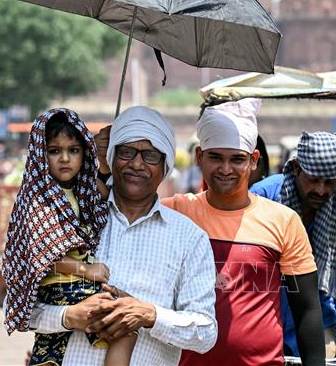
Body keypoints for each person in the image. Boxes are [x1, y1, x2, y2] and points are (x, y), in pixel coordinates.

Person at [29, 106, 217, 366]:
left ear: (165, 166)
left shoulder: (189, 238)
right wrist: (68, 316)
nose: (137, 164)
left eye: (150, 156)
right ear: (111, 157)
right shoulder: (72, 220)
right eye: (126, 152)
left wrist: (149, 315)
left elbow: (205, 333)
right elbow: (16, 308)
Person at [162, 99, 325, 366]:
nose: (226, 169)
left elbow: (306, 309)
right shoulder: (174, 212)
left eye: (237, 159)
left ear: (254, 161)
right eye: (216, 157)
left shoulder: (283, 221)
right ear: (199, 157)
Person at [2, 108, 136, 366]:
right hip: (61, 285)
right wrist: (87, 270)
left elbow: (101, 190)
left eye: (74, 150)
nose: (65, 159)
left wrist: (104, 158)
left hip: (72, 285)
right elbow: (45, 255)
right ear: (41, 155)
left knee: (52, 348)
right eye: (54, 151)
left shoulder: (78, 191)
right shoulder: (38, 199)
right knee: (125, 325)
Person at [251, 131, 336, 366]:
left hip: (318, 317)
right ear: (296, 169)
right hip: (262, 315)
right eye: (313, 180)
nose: (321, 191)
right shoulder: (263, 195)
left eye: (329, 182)